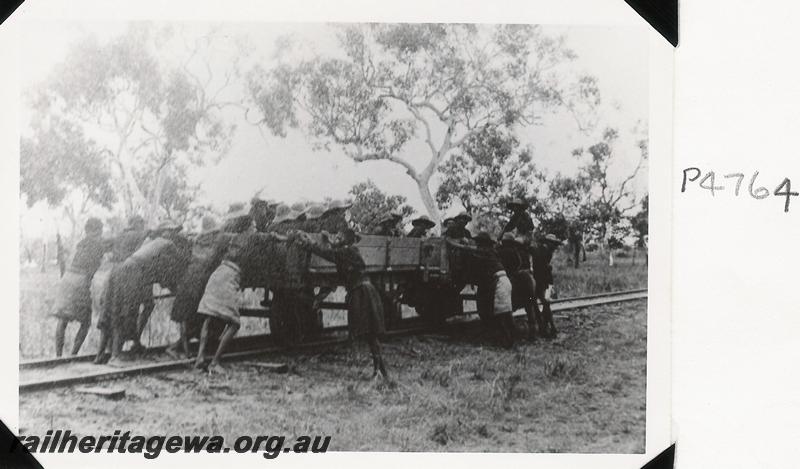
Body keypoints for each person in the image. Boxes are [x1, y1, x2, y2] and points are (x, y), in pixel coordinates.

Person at [294, 228, 389, 380]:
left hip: (361, 292)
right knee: (368, 333)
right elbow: (335, 251)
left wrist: (309, 243)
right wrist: (329, 241)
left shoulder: (346, 252)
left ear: (345, 240)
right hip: (363, 290)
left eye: (339, 237)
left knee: (369, 332)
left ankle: (379, 371)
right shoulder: (350, 251)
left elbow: (327, 253)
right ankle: (380, 371)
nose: (336, 239)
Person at [194, 222, 285, 373]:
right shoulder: (251, 236)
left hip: (218, 274)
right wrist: (286, 238)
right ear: (247, 227)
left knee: (208, 318)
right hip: (230, 278)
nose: (255, 228)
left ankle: (200, 358)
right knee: (234, 324)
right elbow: (271, 237)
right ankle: (215, 363)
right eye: (253, 226)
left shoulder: (232, 238)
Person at [97, 220, 191, 366]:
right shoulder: (167, 243)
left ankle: (101, 355)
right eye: (172, 231)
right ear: (165, 232)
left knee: (113, 310)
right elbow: (183, 259)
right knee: (126, 313)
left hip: (120, 270)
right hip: (132, 273)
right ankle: (115, 356)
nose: (174, 234)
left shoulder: (149, 243)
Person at [165, 212, 253, 359]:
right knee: (201, 316)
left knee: (188, 317)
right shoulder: (219, 239)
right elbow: (234, 238)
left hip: (189, 281)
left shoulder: (197, 241)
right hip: (201, 283)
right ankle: (182, 348)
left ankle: (184, 349)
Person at [52, 218, 112, 357]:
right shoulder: (97, 242)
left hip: (67, 278)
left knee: (63, 319)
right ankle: (73, 355)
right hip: (80, 281)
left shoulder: (81, 243)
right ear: (96, 231)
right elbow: (112, 243)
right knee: (85, 322)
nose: (101, 234)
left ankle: (58, 356)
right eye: (100, 231)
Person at [447, 231, 515, 348]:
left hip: (499, 282)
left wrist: (453, 243)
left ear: (483, 244)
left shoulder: (485, 252)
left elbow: (467, 249)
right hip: (502, 280)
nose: (477, 245)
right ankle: (503, 340)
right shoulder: (491, 252)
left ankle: (506, 342)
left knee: (500, 315)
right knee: (502, 313)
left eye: (479, 242)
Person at [498, 232, 539, 340]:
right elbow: (518, 264)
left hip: (507, 277)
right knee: (530, 306)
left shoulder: (499, 251)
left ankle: (509, 331)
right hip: (523, 279)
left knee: (507, 306)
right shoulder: (521, 253)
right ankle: (533, 332)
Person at [529, 234, 562, 339]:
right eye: (553, 244)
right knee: (545, 303)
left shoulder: (543, 251)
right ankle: (548, 327)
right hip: (544, 282)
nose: (554, 247)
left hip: (544, 282)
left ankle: (546, 327)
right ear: (548, 243)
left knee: (544, 303)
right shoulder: (544, 251)